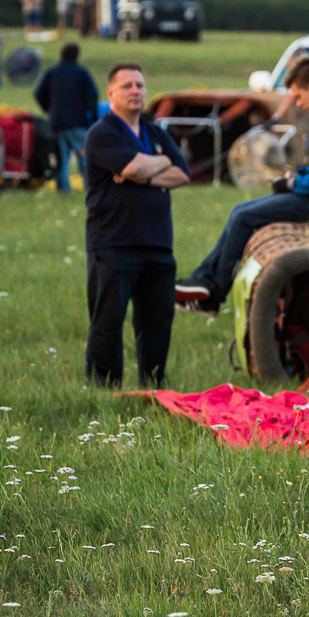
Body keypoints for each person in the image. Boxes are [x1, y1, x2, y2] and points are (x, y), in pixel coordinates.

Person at [175, 54, 309, 311]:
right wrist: (297, 177)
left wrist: (294, 186)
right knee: (240, 212)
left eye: (298, 96)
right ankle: (202, 281)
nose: (297, 104)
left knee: (244, 217)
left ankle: (212, 293)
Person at [82, 62, 190, 386]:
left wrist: (144, 172)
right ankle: (104, 387)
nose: (135, 91)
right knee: (108, 320)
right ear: (111, 92)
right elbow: (132, 167)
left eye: (140, 85)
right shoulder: (102, 133)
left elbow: (182, 174)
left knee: (157, 321)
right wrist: (154, 166)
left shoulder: (155, 132)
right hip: (114, 241)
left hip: (158, 243)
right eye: (127, 85)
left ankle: (154, 386)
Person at [34, 42, 99, 192]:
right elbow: (92, 96)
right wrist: (93, 118)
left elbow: (38, 93)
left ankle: (63, 189)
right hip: (78, 122)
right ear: (77, 55)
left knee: (61, 159)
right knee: (84, 157)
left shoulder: (52, 72)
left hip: (56, 122)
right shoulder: (81, 73)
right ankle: (90, 187)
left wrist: (48, 108)